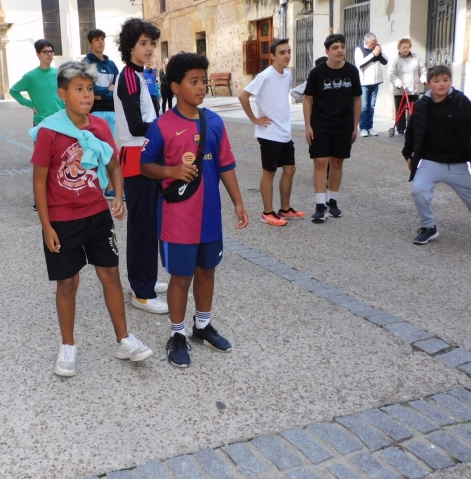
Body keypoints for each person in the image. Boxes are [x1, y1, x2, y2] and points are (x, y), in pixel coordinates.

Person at [30, 61, 153, 377]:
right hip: (62, 220)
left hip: (97, 214)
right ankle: (68, 346)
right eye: (78, 89)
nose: (86, 95)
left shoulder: (99, 126)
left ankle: (124, 339)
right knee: (68, 282)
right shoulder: (49, 131)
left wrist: (119, 196)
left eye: (89, 89)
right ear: (62, 94)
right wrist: (46, 226)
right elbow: (39, 181)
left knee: (111, 276)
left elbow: (113, 165)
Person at [140, 52, 249, 368]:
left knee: (207, 271)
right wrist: (171, 171)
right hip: (178, 220)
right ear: (175, 86)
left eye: (203, 80)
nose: (201, 87)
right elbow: (145, 166)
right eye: (194, 81)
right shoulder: (162, 126)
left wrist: (238, 203)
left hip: (209, 218)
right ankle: (176, 334)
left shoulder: (214, 122)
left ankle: (202, 325)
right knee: (181, 277)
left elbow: (226, 164)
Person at [114, 18, 168, 314]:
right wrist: (167, 129)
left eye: (151, 43)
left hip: (143, 155)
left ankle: (145, 280)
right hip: (137, 158)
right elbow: (136, 125)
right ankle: (142, 292)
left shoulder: (138, 74)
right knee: (142, 228)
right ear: (130, 47)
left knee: (148, 226)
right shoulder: (130, 77)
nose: (149, 49)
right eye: (143, 43)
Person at [402, 65, 471, 245]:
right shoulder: (421, 105)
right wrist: (408, 153)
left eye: (446, 80)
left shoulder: (461, 101)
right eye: (437, 80)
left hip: (458, 163)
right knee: (419, 190)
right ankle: (428, 227)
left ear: (451, 81)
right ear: (429, 84)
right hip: (430, 161)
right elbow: (412, 130)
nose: (442, 84)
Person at [239, 38, 305, 227]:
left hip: (284, 132)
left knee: (290, 169)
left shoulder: (287, 75)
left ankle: (285, 209)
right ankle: (267, 213)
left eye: (289, 51)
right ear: (273, 55)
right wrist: (254, 119)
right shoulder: (265, 75)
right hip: (268, 133)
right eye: (282, 52)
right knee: (269, 173)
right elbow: (243, 96)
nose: (287, 55)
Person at [303, 34, 362, 222]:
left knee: (337, 162)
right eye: (335, 47)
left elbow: (357, 98)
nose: (340, 50)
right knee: (320, 161)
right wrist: (307, 125)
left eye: (342, 46)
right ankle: (320, 205)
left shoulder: (352, 71)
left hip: (344, 124)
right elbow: (307, 99)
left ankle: (333, 202)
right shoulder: (317, 73)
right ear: (327, 51)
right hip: (320, 123)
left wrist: (355, 125)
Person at [83, 29, 120, 200]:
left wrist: (102, 92)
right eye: (97, 39)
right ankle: (96, 186)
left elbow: (118, 87)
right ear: (90, 43)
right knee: (95, 150)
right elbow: (90, 88)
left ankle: (110, 187)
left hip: (111, 112)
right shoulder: (86, 63)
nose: (101, 42)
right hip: (95, 111)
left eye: (103, 39)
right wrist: (107, 90)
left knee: (110, 150)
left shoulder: (111, 64)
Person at [10, 39, 64, 128]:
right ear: (38, 54)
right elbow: (13, 91)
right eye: (45, 52)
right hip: (42, 121)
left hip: (61, 118)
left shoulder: (59, 73)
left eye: (51, 51)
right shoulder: (30, 77)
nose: (49, 54)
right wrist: (30, 104)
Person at [388, 38, 426, 135]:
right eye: (403, 47)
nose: (406, 49)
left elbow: (422, 71)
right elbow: (391, 74)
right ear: (399, 48)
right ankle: (400, 128)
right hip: (401, 90)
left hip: (414, 89)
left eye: (408, 47)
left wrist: (424, 80)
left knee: (414, 111)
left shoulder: (416, 57)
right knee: (400, 110)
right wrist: (398, 83)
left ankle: (411, 128)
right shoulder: (395, 59)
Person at [354, 33, 388, 137]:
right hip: (364, 82)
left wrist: (380, 53)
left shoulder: (377, 49)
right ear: (366, 42)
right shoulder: (359, 50)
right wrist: (373, 54)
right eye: (372, 43)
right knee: (364, 106)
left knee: (372, 106)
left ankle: (370, 127)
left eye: (376, 42)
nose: (375, 45)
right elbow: (360, 64)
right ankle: (363, 128)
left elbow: (386, 61)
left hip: (375, 81)